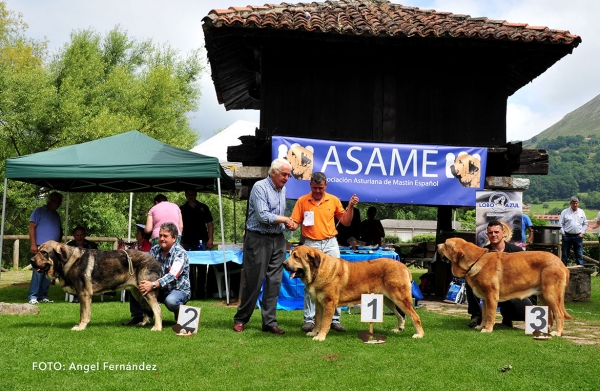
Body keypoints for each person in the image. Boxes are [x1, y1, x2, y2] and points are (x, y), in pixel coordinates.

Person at [287, 172, 359, 333]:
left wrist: (351, 207)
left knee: (337, 281)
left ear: (326, 185)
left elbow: (346, 221)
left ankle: (334, 319)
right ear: (310, 185)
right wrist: (289, 224)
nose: (317, 191)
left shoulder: (333, 200)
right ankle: (310, 319)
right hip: (310, 245)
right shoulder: (302, 201)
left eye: (320, 188)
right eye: (314, 188)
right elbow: (295, 223)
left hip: (330, 243)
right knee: (309, 281)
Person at [233, 158, 293, 334]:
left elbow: (278, 218)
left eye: (288, 175)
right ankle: (241, 319)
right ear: (273, 172)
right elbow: (263, 216)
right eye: (284, 174)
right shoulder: (260, 187)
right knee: (254, 280)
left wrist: (289, 225)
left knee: (275, 281)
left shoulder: (283, 190)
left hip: (277, 239)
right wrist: (285, 220)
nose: (286, 178)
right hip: (258, 238)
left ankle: (269, 322)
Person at [465, 220, 534, 328]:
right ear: (487, 235)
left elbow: (525, 274)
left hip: (510, 292)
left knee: (525, 307)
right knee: (471, 282)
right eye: (490, 233)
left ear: (504, 233)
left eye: (496, 232)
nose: (493, 235)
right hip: (489, 292)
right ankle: (476, 315)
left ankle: (508, 317)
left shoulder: (517, 251)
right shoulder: (483, 253)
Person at [122, 222, 191, 325]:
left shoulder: (180, 253)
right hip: (159, 289)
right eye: (160, 235)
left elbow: (172, 275)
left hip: (177, 289)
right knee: (134, 285)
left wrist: (153, 284)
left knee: (171, 301)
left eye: (165, 236)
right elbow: (144, 264)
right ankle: (139, 317)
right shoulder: (155, 249)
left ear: (174, 238)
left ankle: (181, 313)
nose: (162, 238)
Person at [28, 192, 63, 305]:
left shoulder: (56, 215)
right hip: (40, 247)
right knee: (38, 271)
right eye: (58, 202)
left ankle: (43, 296)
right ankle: (33, 296)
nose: (60, 204)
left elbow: (59, 230)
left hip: (52, 250)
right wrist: (33, 244)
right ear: (51, 201)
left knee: (49, 271)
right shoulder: (39, 211)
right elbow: (32, 227)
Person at [180, 189, 214, 299]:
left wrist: (210, 239)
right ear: (185, 195)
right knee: (188, 269)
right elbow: (179, 227)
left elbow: (210, 224)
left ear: (196, 194)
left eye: (193, 194)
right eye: (189, 194)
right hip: (187, 242)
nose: (191, 196)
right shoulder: (181, 209)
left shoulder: (203, 207)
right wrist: (180, 241)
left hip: (202, 242)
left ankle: (200, 292)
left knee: (202, 268)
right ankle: (190, 292)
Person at [66, 226, 98, 303]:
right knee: (77, 275)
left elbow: (97, 258)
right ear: (74, 235)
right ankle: (77, 296)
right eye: (77, 235)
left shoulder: (92, 245)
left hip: (90, 268)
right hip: (74, 269)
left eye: (81, 235)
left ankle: (89, 294)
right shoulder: (69, 246)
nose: (79, 237)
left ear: (84, 235)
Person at [559, 196, 587, 266]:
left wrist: (582, 233)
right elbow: (560, 223)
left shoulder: (581, 212)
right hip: (567, 235)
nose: (575, 205)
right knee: (565, 254)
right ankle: (564, 269)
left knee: (579, 254)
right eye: (573, 203)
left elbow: (585, 223)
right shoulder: (565, 212)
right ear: (570, 204)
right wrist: (563, 233)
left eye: (576, 203)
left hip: (578, 236)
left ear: (578, 203)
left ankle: (580, 269)